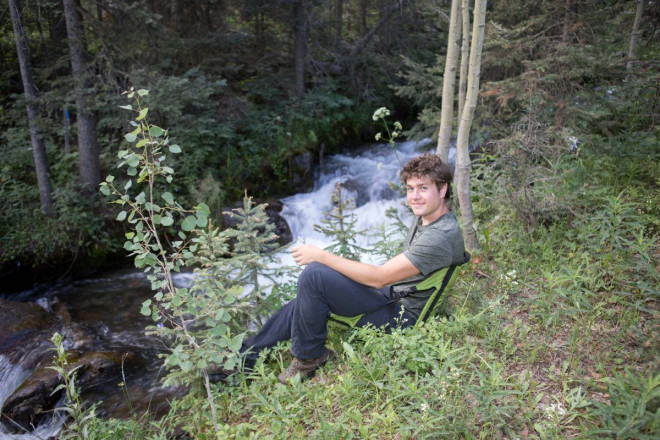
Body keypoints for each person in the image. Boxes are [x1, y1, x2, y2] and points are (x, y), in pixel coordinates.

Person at [237, 152, 466, 384]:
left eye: (423, 188)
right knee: (308, 296)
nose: (415, 196)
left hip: (401, 316)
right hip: (393, 295)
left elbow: (380, 277)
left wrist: (320, 254)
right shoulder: (429, 217)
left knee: (314, 275)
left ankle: (309, 359)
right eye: (410, 189)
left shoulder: (439, 237)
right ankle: (244, 358)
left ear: (443, 189)